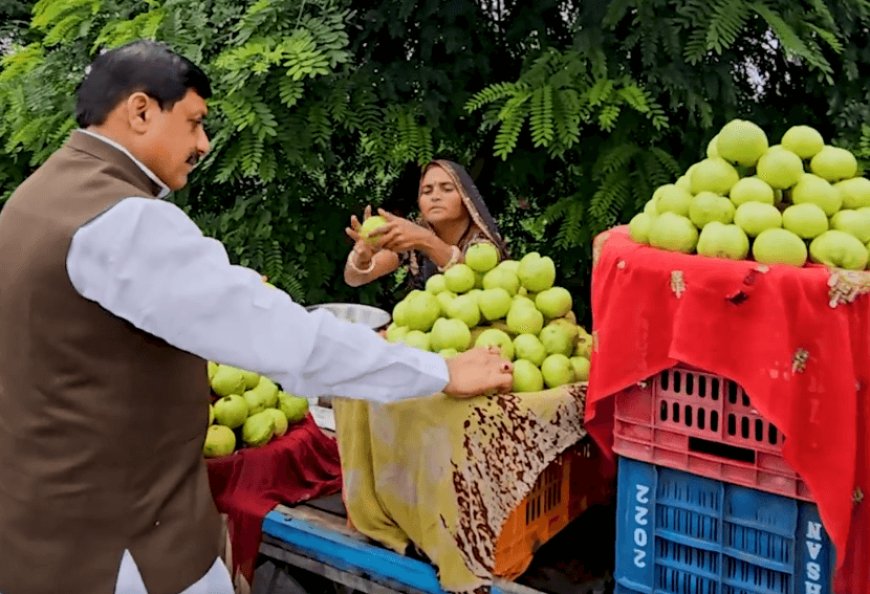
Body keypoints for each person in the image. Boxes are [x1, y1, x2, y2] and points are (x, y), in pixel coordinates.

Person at [0, 41, 512, 594]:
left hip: (41, 532)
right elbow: (287, 341)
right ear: (141, 110)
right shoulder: (123, 220)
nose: (204, 143)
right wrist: (440, 372)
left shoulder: (35, 198)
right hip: (124, 549)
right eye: (194, 122)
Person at [344, 160, 509, 289]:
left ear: (466, 200)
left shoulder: (482, 244)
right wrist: (361, 257)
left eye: (447, 189)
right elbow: (355, 279)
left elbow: (468, 281)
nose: (435, 196)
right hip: (423, 327)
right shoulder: (413, 235)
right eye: (427, 191)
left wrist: (426, 240)